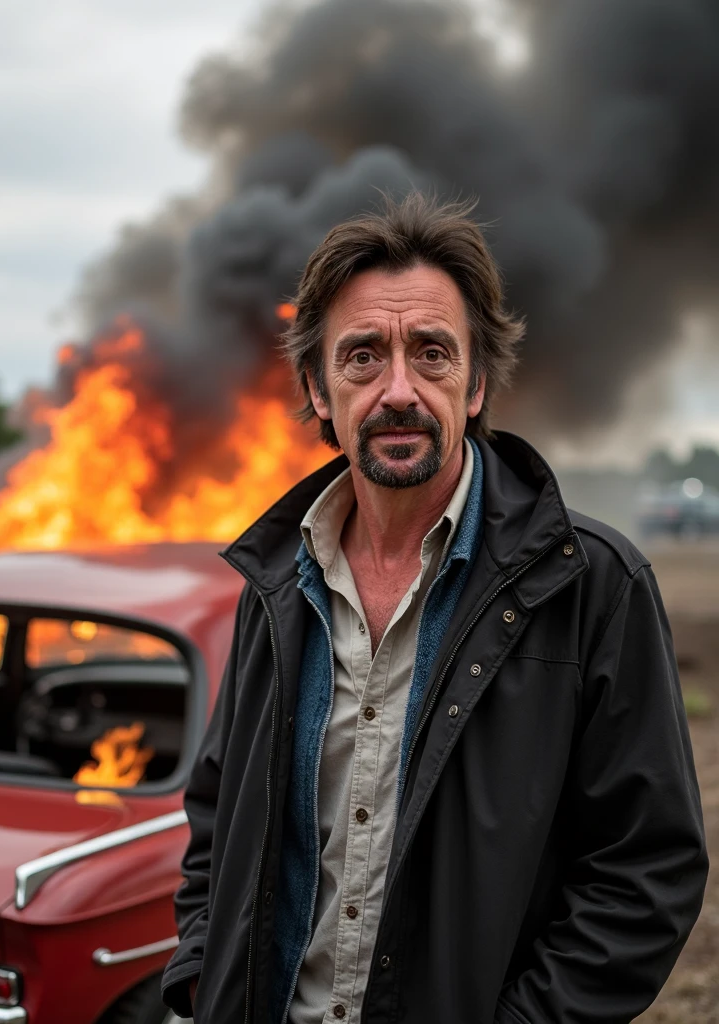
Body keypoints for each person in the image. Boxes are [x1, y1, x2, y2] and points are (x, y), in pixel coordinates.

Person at [161, 194, 707, 1024]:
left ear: (478, 382)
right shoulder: (276, 583)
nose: (398, 391)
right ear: (316, 388)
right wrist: (207, 972)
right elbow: (215, 815)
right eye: (362, 358)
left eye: (432, 353)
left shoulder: (593, 585)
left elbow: (645, 873)